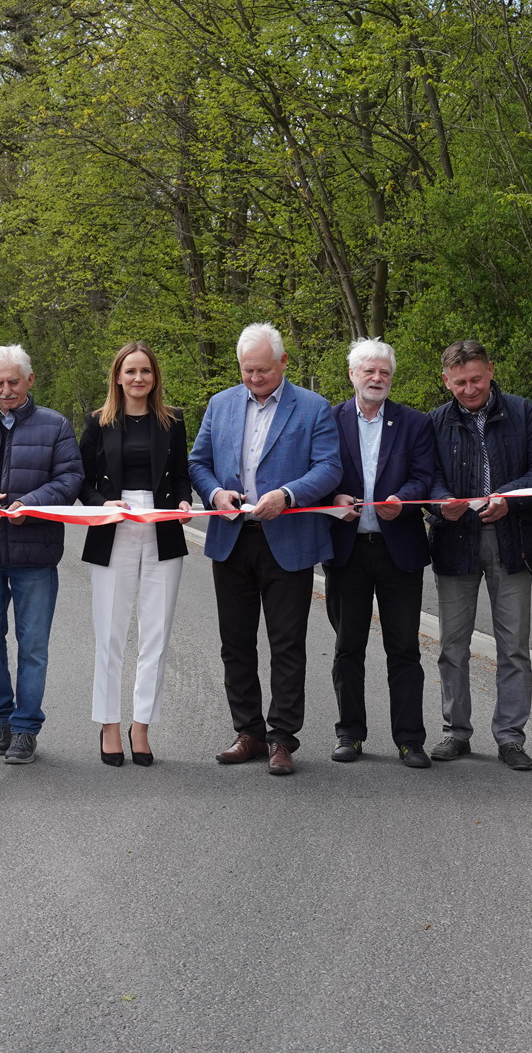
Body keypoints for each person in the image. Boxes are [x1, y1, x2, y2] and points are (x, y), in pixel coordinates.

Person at [188, 323, 341, 776]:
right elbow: (197, 461)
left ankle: (281, 738)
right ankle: (248, 732)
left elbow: (329, 467)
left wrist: (290, 495)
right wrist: (215, 493)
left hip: (288, 539)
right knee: (235, 642)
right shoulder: (220, 404)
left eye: (262, 370)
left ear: (283, 363)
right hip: (232, 536)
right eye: (246, 369)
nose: (253, 378)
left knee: (287, 643)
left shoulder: (313, 408)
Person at [425, 339, 532, 772]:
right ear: (445, 381)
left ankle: (511, 737)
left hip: (511, 538)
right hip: (454, 540)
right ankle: (455, 732)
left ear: (491, 371)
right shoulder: (435, 422)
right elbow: (427, 479)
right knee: (452, 646)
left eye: (476, 379)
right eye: (459, 382)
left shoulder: (523, 412)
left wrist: (509, 498)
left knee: (514, 646)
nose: (469, 389)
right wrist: (442, 501)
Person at [0, 344, 85, 766]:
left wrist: (29, 504)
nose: (6, 390)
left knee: (33, 646)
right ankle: (1, 718)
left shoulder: (56, 425)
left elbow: (71, 478)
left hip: (36, 552)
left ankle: (27, 728)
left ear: (30, 381)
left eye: (14, 382)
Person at [323, 339, 439, 769]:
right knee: (347, 648)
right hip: (347, 550)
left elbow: (424, 476)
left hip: (399, 550)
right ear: (352, 374)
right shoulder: (328, 420)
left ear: (392, 377)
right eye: (368, 371)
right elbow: (317, 472)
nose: (376, 379)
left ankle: (410, 739)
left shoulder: (414, 423)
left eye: (384, 373)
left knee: (404, 649)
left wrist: (402, 498)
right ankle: (349, 734)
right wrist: (332, 495)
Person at [78, 341, 191, 767]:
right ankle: (109, 724)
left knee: (156, 634)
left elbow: (181, 475)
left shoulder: (173, 421)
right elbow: (81, 480)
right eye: (130, 372)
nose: (138, 378)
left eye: (145, 371)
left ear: (155, 376)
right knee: (110, 632)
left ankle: (141, 725)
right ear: (118, 377)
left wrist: (183, 502)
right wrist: (99, 504)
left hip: (161, 526)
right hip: (113, 526)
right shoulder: (97, 421)